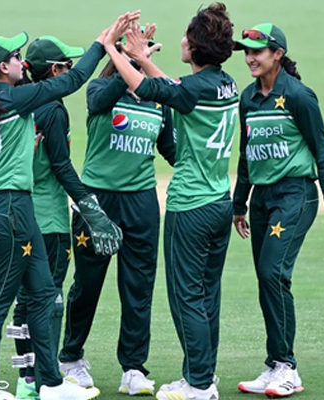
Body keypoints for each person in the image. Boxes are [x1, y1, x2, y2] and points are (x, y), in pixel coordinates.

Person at [0, 13, 136, 400]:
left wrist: (18, 150)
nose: (20, 61)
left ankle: (50, 383)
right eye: (15, 57)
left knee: (43, 294)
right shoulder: (14, 98)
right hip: (11, 208)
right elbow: (72, 82)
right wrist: (101, 45)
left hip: (8, 205)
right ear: (2, 68)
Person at [102, 4, 238, 399]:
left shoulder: (193, 89)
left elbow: (150, 89)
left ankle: (198, 384)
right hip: (220, 203)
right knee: (208, 295)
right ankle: (203, 375)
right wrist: (144, 59)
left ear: (195, 48)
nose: (181, 41)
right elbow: (173, 89)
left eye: (186, 37)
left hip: (191, 206)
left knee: (186, 298)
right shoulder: (225, 84)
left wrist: (114, 50)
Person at [232, 23, 324, 398]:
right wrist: (239, 204)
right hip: (262, 199)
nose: (250, 58)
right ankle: (275, 365)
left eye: (257, 51)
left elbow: (321, 149)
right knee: (266, 278)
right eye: (246, 51)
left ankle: (287, 369)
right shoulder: (248, 98)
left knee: (273, 273)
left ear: (278, 55)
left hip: (295, 195)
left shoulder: (298, 96)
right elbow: (247, 155)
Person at [57, 26, 174, 397]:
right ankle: (71, 358)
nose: (142, 56)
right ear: (118, 55)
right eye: (132, 51)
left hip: (141, 202)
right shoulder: (100, 89)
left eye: (144, 51)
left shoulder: (157, 101)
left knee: (138, 287)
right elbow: (100, 101)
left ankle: (134, 368)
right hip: (98, 202)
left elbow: (172, 150)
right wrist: (129, 64)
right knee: (87, 284)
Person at [7, 35, 118, 400]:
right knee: (48, 298)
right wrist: (91, 208)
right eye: (67, 66)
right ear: (55, 71)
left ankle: (27, 380)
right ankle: (47, 379)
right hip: (48, 219)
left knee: (25, 299)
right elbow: (61, 167)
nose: (70, 70)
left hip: (17, 214)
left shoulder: (18, 101)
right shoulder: (52, 109)